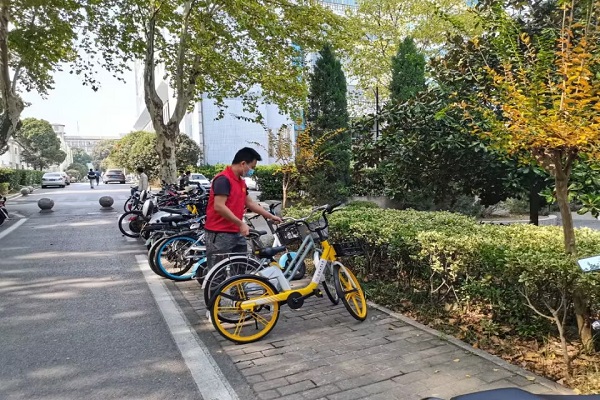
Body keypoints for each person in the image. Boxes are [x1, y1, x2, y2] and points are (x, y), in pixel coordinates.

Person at [204, 147, 282, 270]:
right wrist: (241, 224)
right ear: (243, 163)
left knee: (241, 270)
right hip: (219, 233)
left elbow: (250, 203)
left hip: (236, 232)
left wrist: (270, 216)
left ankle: (239, 284)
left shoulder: (240, 181)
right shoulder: (223, 179)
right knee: (218, 272)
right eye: (252, 167)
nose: (252, 171)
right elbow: (219, 206)